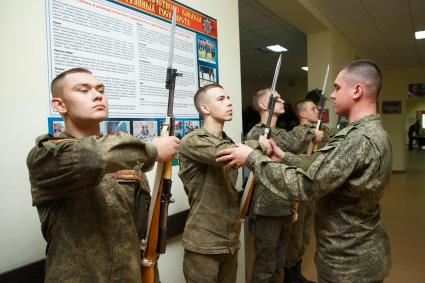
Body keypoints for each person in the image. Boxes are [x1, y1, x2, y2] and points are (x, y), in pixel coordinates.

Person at [216, 60, 392, 283]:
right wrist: (284, 156)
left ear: (357, 90)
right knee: (268, 261)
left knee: (281, 257)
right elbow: (321, 165)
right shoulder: (371, 133)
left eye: (337, 88)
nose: (332, 95)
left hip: (349, 261)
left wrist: (251, 158)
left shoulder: (357, 139)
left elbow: (306, 185)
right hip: (354, 249)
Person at [26, 68, 180, 282]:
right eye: (83, 90)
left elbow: (143, 238)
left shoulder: (128, 157)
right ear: (60, 104)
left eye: (100, 89)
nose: (98, 95)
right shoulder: (45, 156)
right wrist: (152, 150)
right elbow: (93, 156)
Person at [246, 88, 323, 283]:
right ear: (264, 105)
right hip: (268, 208)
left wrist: (293, 205)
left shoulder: (279, 132)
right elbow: (291, 143)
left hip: (285, 205)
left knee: (279, 264)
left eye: (281, 97)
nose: (282, 100)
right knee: (265, 266)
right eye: (276, 99)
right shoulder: (257, 133)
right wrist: (312, 132)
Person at [178, 84, 239, 283]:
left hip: (229, 241)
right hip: (203, 244)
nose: (229, 102)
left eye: (228, 97)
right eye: (221, 99)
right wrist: (258, 145)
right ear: (205, 108)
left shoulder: (229, 142)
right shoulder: (193, 141)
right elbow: (223, 152)